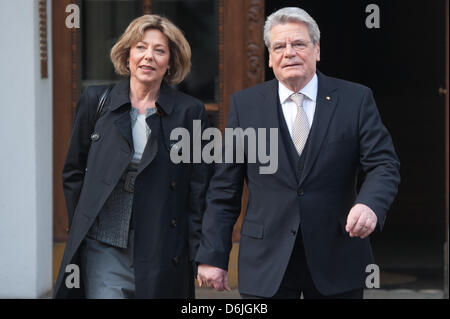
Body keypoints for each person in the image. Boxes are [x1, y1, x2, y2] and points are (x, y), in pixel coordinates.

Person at [195, 7, 400, 299]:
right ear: (269, 57)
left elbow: (384, 163)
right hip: (266, 262)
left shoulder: (356, 99)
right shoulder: (246, 106)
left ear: (317, 50)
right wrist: (213, 255)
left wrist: (369, 204)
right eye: (279, 46)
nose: (288, 52)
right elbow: (224, 189)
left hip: (337, 255)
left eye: (298, 44)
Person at [53, 15, 212, 298]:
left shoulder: (190, 112)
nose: (148, 56)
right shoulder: (96, 101)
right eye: (141, 47)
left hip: (162, 247)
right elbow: (74, 172)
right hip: (105, 243)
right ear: (127, 56)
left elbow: (198, 188)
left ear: (170, 62)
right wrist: (85, 222)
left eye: (159, 50)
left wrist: (200, 250)